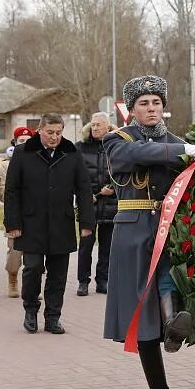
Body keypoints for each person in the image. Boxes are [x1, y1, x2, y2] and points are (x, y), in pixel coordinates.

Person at [102, 75, 195, 389]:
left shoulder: (178, 142)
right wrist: (180, 151)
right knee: (142, 316)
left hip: (169, 227)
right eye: (143, 103)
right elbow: (133, 156)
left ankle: (174, 323)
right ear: (131, 110)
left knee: (170, 282)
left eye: (156, 102)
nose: (151, 108)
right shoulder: (118, 140)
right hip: (134, 232)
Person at [4, 114, 94, 335]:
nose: (54, 137)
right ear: (40, 130)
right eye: (50, 132)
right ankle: (30, 311)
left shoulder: (71, 152)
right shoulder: (23, 152)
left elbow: (83, 189)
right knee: (33, 268)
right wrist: (12, 223)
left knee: (58, 274)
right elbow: (12, 190)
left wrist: (86, 222)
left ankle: (53, 317)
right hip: (31, 222)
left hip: (61, 223)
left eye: (58, 132)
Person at [76, 112, 117, 297]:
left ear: (108, 127)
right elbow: (74, 175)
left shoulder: (117, 147)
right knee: (85, 245)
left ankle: (103, 281)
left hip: (111, 204)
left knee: (106, 247)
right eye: (93, 125)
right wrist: (85, 194)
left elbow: (125, 173)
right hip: (88, 204)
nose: (95, 128)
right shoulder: (80, 148)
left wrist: (114, 189)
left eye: (99, 125)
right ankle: (83, 282)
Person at [0, 126, 33, 298]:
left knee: (35, 253)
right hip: (16, 213)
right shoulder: (5, 166)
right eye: (21, 141)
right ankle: (12, 278)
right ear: (14, 143)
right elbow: (2, 190)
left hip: (35, 214)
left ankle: (32, 285)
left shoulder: (38, 161)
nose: (24, 144)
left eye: (27, 141)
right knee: (15, 252)